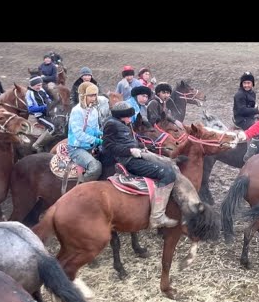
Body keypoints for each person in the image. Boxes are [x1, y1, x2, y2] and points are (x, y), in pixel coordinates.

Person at [103, 101, 178, 229]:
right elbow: (109, 146)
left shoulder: (124, 124)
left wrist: (142, 146)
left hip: (136, 154)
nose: (130, 118)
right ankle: (157, 216)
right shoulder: (111, 125)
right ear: (121, 115)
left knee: (170, 164)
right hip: (128, 160)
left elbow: (128, 141)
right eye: (128, 116)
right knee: (168, 173)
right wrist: (129, 151)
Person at [67, 82, 103, 182]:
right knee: (96, 167)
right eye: (91, 95)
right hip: (76, 148)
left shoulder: (94, 110)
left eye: (95, 95)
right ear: (83, 96)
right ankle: (81, 189)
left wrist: (102, 134)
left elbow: (95, 129)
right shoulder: (77, 111)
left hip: (90, 146)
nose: (94, 98)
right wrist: (97, 141)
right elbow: (79, 134)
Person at [25, 76, 54, 152]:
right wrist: (44, 107)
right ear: (32, 85)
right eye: (38, 85)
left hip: (48, 113)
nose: (40, 87)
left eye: (40, 85)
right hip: (40, 115)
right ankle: (37, 145)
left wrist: (51, 103)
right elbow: (30, 109)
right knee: (52, 127)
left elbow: (48, 99)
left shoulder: (41, 90)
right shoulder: (29, 93)